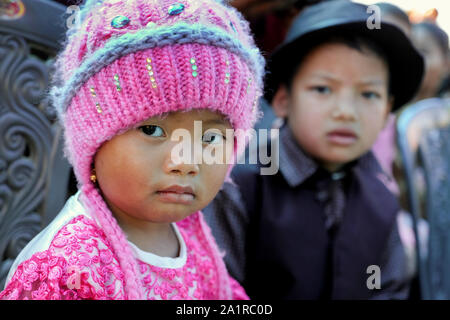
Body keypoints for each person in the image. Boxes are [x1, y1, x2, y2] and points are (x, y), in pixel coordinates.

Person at [0, 0, 264, 300]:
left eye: (210, 138)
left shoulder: (191, 234)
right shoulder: (69, 268)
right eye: (153, 130)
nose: (186, 162)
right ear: (94, 141)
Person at [204, 0, 424, 299]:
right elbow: (216, 290)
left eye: (369, 94)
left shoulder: (382, 198)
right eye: (322, 89)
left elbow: (390, 290)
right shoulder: (238, 186)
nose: (346, 112)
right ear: (282, 99)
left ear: (387, 111)